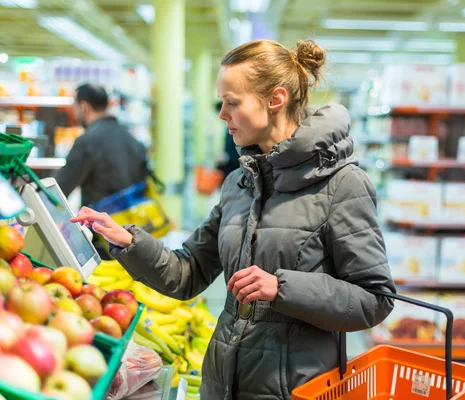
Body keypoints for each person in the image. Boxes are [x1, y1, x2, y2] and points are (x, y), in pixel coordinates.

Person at [71, 39, 395, 400]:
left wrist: (282, 288)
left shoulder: (343, 184)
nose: (222, 114)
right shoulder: (240, 183)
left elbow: (374, 297)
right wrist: (128, 241)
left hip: (296, 388)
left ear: (275, 100)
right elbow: (188, 272)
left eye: (232, 102)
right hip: (223, 381)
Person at [56, 84, 147, 207]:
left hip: (99, 222)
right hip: (130, 221)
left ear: (84, 107)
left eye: (74, 106)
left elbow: (60, 189)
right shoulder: (131, 139)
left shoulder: (87, 142)